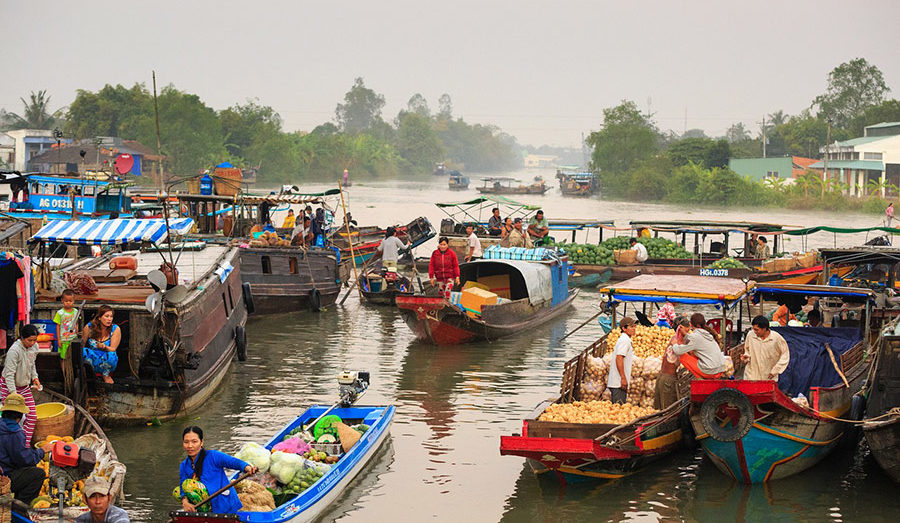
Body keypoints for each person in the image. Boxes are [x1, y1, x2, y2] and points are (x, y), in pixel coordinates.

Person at [180, 426, 256, 514]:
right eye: (186, 442)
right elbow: (182, 488)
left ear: (201, 442)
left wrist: (247, 468)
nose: (190, 446)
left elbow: (232, 462)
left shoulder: (213, 456)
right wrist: (185, 503)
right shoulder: (184, 465)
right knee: (179, 489)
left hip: (223, 503)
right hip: (204, 504)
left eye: (194, 442)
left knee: (188, 485)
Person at [0, 394, 46, 510]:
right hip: (5, 476)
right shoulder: (15, 433)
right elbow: (24, 460)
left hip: (3, 467)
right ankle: (19, 508)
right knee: (38, 474)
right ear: (20, 416)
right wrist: (42, 451)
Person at [1, 325, 40, 446]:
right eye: (29, 340)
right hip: (9, 386)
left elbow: (32, 364)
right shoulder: (14, 351)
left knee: (32, 416)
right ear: (22, 338)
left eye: (34, 340)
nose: (32, 343)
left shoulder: (34, 347)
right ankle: (7, 444)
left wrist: (35, 377)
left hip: (24, 386)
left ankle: (24, 445)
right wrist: (13, 394)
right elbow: (9, 374)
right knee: (12, 419)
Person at [671, 313, 727, 379]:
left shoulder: (695, 337)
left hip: (711, 371)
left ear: (690, 324)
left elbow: (678, 351)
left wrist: (674, 344)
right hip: (719, 369)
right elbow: (695, 340)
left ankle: (700, 379)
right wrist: (685, 335)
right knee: (692, 353)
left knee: (683, 356)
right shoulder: (706, 333)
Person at [741, 315, 790, 381]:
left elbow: (785, 355)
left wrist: (775, 370)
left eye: (756, 330)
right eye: (754, 329)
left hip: (769, 376)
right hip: (751, 375)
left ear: (764, 328)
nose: (754, 332)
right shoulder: (750, 335)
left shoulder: (776, 338)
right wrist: (746, 357)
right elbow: (747, 350)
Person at [81, 306, 120, 384]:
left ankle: (106, 375)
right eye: (106, 316)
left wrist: (104, 347)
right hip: (93, 358)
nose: (109, 319)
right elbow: (82, 344)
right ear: (99, 317)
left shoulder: (115, 329)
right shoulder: (89, 327)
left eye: (111, 316)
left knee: (112, 355)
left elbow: (113, 349)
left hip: (106, 360)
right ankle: (88, 373)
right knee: (83, 351)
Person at [655, 316, 687, 409]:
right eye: (687, 328)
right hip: (668, 380)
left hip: (662, 377)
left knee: (660, 409)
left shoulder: (674, 339)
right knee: (668, 410)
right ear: (680, 328)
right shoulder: (678, 342)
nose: (688, 330)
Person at [608, 317, 636, 404]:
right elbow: (619, 358)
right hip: (618, 383)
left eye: (634, 326)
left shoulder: (625, 340)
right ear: (624, 328)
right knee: (618, 407)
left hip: (618, 382)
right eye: (631, 326)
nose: (634, 328)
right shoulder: (625, 341)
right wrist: (623, 378)